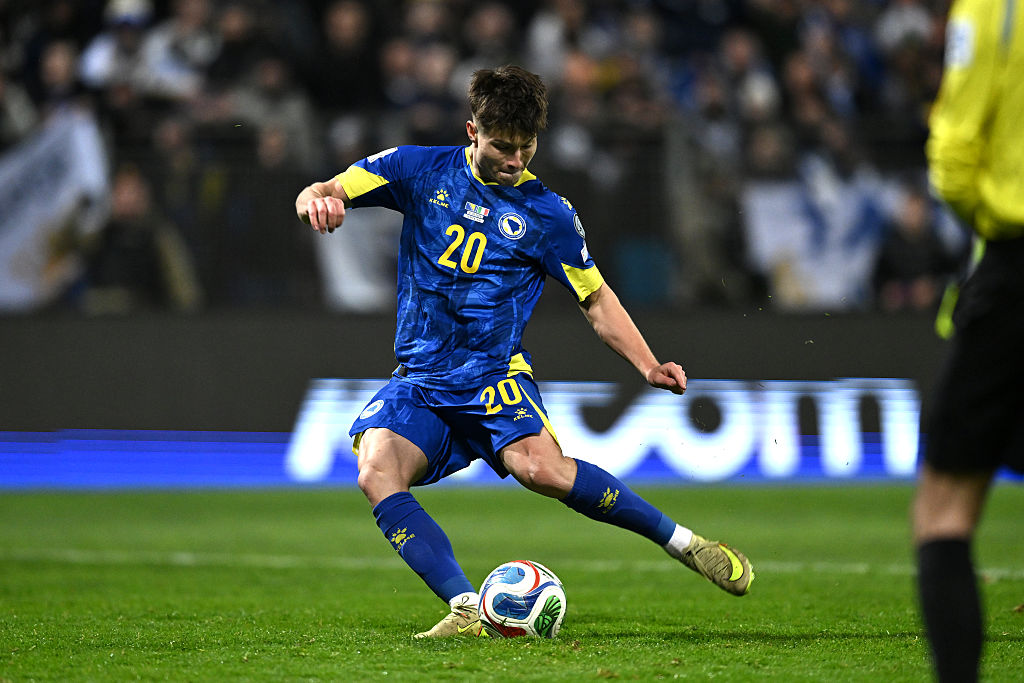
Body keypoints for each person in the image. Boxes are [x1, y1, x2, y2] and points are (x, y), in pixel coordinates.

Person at [294, 65, 753, 638]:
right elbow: (323, 190)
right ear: (472, 132)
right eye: (502, 147)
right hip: (421, 379)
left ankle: (686, 544)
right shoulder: (416, 169)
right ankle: (466, 608)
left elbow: (595, 298)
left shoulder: (548, 215)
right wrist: (316, 204)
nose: (515, 160)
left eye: (526, 147)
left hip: (494, 376)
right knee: (376, 470)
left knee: (541, 470)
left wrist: (648, 363)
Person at [912, 1, 1024, 680]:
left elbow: (952, 158)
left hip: (1016, 269)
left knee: (945, 505)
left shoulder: (994, 8)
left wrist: (995, 227)